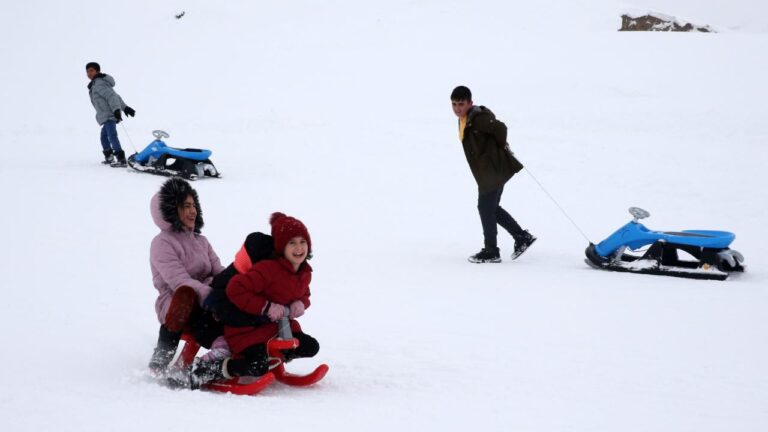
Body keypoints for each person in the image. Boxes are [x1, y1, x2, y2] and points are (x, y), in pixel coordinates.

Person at [187, 212, 320, 388]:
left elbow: (305, 293)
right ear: (282, 247)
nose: (299, 248)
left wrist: (301, 303)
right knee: (257, 366)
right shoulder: (268, 269)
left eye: (303, 242)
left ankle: (276, 356)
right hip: (248, 330)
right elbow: (235, 289)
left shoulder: (304, 272)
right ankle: (208, 370)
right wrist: (266, 307)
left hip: (278, 326)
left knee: (310, 346)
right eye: (292, 243)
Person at [147, 177, 225, 376]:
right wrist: (210, 295)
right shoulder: (162, 243)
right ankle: (163, 354)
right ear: (172, 210)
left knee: (231, 283)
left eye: (193, 205)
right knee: (187, 294)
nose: (192, 211)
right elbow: (178, 279)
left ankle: (233, 350)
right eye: (185, 206)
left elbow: (218, 271)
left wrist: (235, 284)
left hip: (207, 300)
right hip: (175, 302)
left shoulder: (202, 241)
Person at [451, 85, 536, 263]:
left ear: (470, 103)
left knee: (485, 208)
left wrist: (498, 149)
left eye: (461, 104)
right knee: (491, 209)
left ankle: (492, 250)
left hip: (493, 171)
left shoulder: (478, 118)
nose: (457, 108)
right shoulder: (464, 119)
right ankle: (521, 237)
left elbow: (500, 128)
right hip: (487, 172)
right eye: (454, 104)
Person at [86, 62, 136, 167]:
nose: (89, 73)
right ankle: (109, 157)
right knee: (104, 137)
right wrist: (125, 107)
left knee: (112, 136)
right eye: (87, 71)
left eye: (91, 70)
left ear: (98, 71)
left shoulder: (99, 83)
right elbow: (115, 96)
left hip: (110, 115)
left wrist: (117, 109)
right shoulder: (96, 84)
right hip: (106, 116)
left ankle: (121, 159)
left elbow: (111, 97)